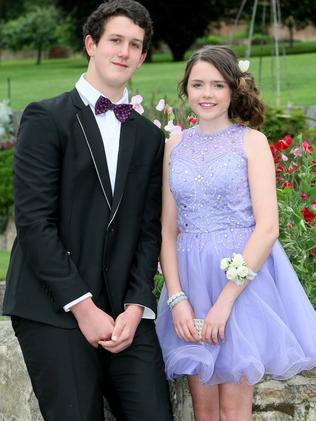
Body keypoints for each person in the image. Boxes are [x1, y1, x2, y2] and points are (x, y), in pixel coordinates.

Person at [3, 1, 173, 420]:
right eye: (115, 40)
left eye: (135, 45)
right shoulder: (46, 118)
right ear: (90, 44)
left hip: (124, 312)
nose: (124, 51)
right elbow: (34, 223)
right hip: (53, 306)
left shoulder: (150, 137)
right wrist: (82, 306)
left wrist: (136, 307)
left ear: (143, 56)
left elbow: (148, 229)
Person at [155, 45, 316, 421]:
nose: (206, 94)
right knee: (204, 411)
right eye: (197, 84)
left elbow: (268, 228)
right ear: (186, 89)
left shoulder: (251, 142)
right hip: (191, 285)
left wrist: (226, 301)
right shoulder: (174, 145)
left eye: (217, 85)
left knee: (232, 411)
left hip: (241, 287)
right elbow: (167, 229)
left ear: (233, 90)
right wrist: (178, 299)